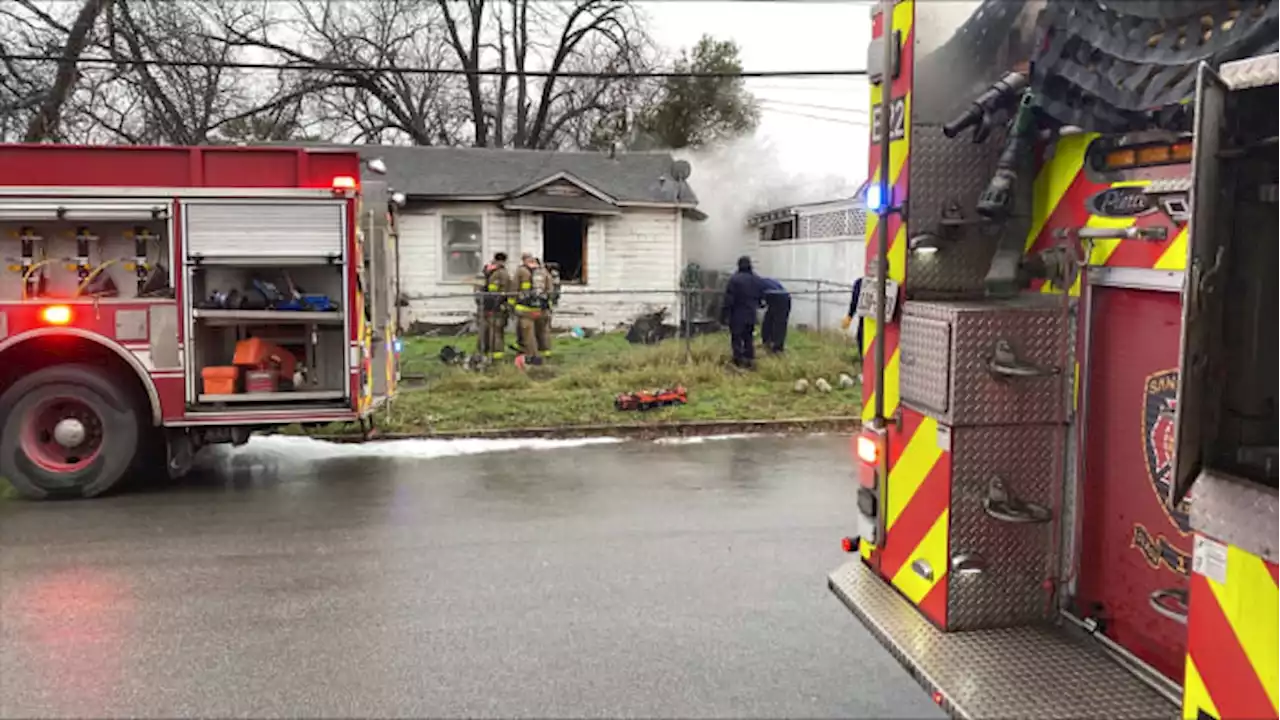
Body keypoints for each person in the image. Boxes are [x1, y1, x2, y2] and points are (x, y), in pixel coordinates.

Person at [721, 255, 764, 369]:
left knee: (736, 338)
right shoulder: (757, 280)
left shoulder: (734, 279)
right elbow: (761, 297)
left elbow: (729, 299)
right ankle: (749, 359)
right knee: (748, 338)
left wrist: (724, 314)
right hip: (751, 313)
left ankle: (738, 360)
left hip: (737, 314)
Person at [511, 253, 547, 365]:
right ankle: (543, 353)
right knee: (541, 333)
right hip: (539, 309)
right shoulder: (542, 272)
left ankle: (533, 357)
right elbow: (549, 288)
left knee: (528, 335)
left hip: (525, 310)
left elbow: (514, 288)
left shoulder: (521, 271)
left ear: (523, 260)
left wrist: (511, 304)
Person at [477, 252, 510, 360]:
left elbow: (477, 289)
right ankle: (497, 356)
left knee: (483, 331)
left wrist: (479, 303)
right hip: (496, 308)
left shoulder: (484, 271)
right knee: (496, 332)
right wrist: (503, 305)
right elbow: (506, 291)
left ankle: (482, 354)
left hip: (483, 306)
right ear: (504, 261)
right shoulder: (503, 273)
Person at [757, 276, 791, 353]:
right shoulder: (762, 281)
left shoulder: (756, 285)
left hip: (782, 299)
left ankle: (778, 347)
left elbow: (758, 299)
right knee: (767, 321)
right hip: (775, 298)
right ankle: (766, 342)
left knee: (779, 323)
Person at [842, 276, 864, 360]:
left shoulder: (861, 282)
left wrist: (849, 316)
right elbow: (854, 301)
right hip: (865, 321)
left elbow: (854, 301)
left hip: (867, 322)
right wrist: (849, 316)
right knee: (861, 340)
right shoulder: (861, 283)